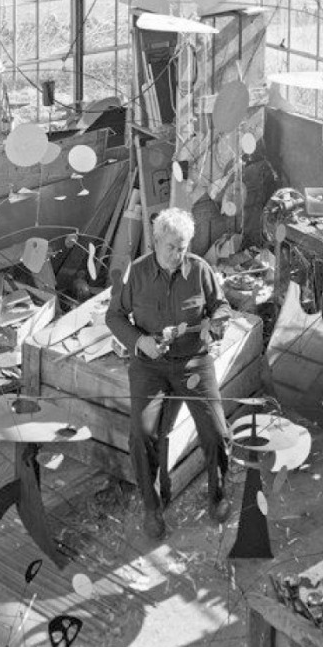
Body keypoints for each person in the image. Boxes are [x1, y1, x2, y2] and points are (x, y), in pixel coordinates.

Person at [106, 207, 233, 540]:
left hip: (193, 362)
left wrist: (214, 326)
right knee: (141, 433)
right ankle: (152, 506)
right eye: (172, 247)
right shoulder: (135, 274)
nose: (179, 254)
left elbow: (220, 307)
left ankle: (217, 492)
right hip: (151, 367)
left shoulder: (200, 271)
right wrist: (140, 342)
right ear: (156, 242)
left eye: (184, 247)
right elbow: (114, 317)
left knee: (216, 431)